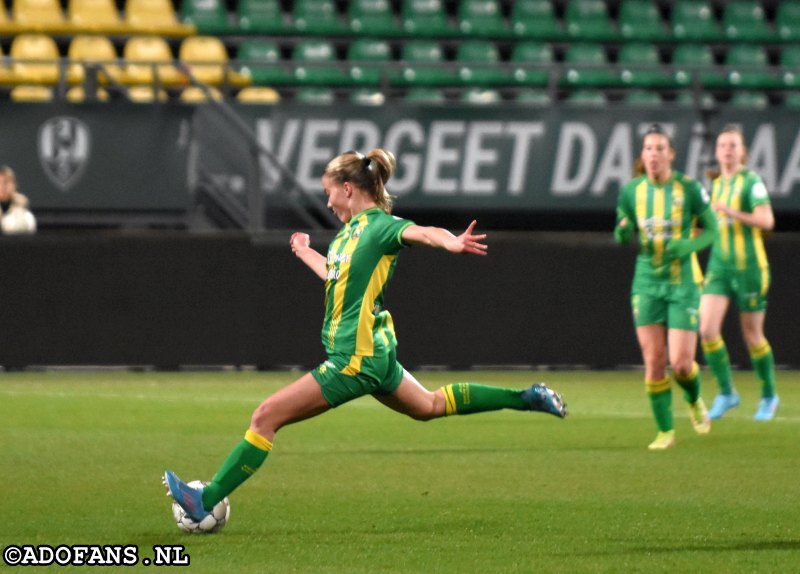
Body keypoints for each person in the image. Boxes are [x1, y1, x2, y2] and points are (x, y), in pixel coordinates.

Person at [165, 148, 567, 522]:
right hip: (375, 354)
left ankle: (206, 500)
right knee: (428, 405)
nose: (327, 203)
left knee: (265, 416)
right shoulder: (346, 236)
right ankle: (526, 398)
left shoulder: (380, 228)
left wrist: (452, 242)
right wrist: (306, 251)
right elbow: (336, 277)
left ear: (347, 188)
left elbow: (423, 232)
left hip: (353, 361)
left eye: (328, 194)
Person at [614, 124, 717, 450]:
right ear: (642, 156)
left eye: (660, 148)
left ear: (671, 154)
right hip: (646, 282)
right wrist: (622, 232)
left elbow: (712, 230)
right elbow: (622, 229)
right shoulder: (632, 191)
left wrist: (688, 248)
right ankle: (665, 432)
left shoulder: (688, 188)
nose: (653, 154)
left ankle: (694, 397)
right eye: (648, 149)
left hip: (683, 283)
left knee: (683, 364)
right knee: (654, 360)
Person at [699, 125, 778, 421]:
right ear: (717, 152)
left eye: (733, 145)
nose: (727, 150)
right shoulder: (717, 186)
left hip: (750, 269)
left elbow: (767, 220)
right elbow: (714, 227)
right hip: (719, 267)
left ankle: (769, 396)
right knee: (706, 329)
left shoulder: (751, 182)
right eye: (722, 145)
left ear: (742, 151)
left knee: (752, 335)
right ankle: (727, 393)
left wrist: (731, 212)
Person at [0, 166, 36, 234]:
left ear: (14, 185)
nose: (2, 187)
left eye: (6, 182)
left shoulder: (22, 208)